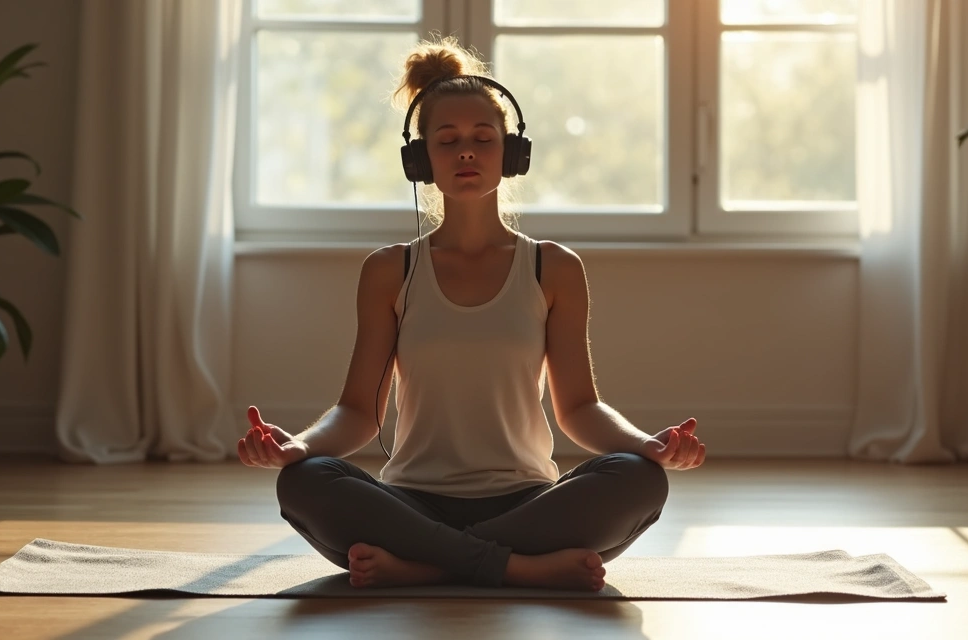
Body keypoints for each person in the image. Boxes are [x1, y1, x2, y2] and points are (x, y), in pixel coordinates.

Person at [238, 36, 706, 592]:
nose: (466, 152)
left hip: (526, 501)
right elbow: (358, 412)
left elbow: (579, 408)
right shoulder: (389, 271)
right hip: (411, 501)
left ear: (511, 154)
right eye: (448, 140)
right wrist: (299, 446)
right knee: (304, 480)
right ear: (420, 159)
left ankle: (427, 566)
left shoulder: (553, 268)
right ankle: (515, 567)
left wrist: (648, 445)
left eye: (483, 138)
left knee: (638, 477)